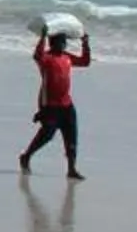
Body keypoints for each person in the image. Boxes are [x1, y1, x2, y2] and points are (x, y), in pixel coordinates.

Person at [20, 22, 92, 181]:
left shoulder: (67, 57)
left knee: (71, 137)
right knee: (47, 135)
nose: (63, 44)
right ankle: (26, 156)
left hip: (67, 105)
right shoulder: (46, 58)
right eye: (60, 42)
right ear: (53, 43)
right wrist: (43, 38)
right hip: (50, 105)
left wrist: (85, 43)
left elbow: (85, 62)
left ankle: (72, 169)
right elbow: (36, 56)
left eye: (64, 42)